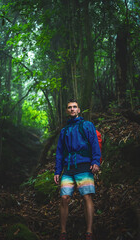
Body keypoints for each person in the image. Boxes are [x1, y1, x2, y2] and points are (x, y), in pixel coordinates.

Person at [54, 99, 101, 240]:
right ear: (67, 111)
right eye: (70, 107)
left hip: (84, 166)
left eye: (75, 107)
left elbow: (94, 144)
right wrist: (57, 171)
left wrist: (95, 161)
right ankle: (63, 232)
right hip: (68, 169)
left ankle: (89, 231)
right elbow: (60, 152)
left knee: (86, 196)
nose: (72, 109)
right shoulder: (64, 131)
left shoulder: (87, 125)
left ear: (79, 110)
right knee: (64, 197)